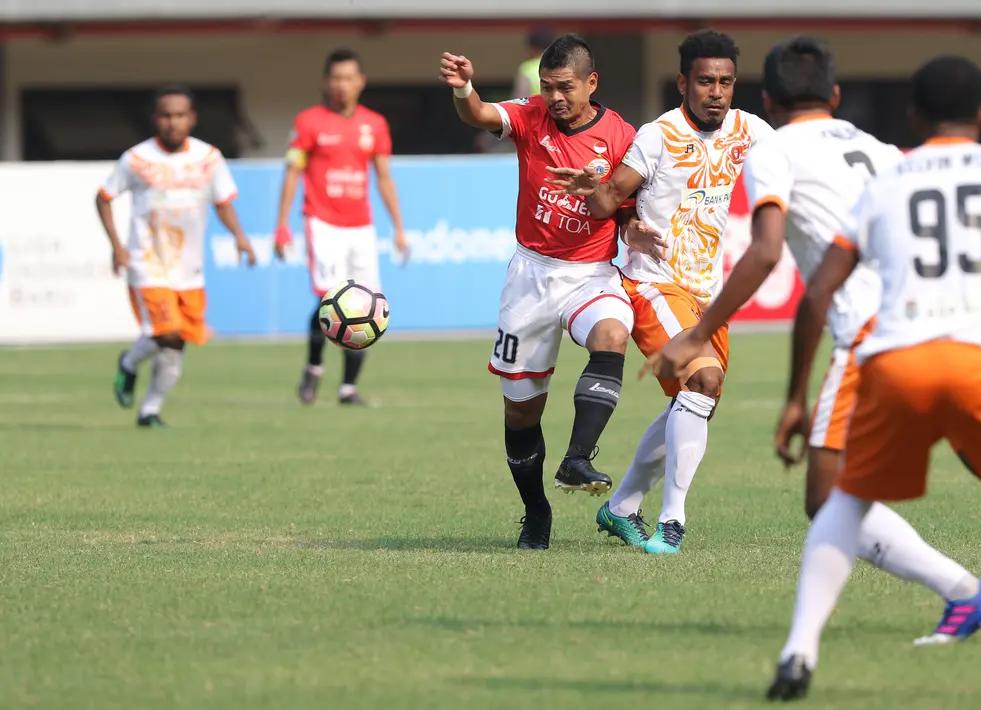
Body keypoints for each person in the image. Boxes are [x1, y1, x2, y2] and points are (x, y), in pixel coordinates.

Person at [647, 37, 981, 646]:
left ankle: (961, 592)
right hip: (957, 327)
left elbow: (768, 252)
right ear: (838, 95)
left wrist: (696, 331)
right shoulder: (880, 149)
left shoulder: (771, 148)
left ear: (765, 98)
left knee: (826, 497)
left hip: (877, 339)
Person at [547, 29, 775, 555]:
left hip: (704, 293)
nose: (716, 92)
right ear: (682, 83)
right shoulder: (657, 135)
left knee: (696, 402)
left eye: (725, 82)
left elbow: (794, 161)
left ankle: (622, 505)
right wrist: (602, 196)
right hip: (652, 283)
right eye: (704, 81)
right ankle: (673, 519)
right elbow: (609, 200)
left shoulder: (750, 131)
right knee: (705, 381)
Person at [440, 34, 642, 550]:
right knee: (520, 411)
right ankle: (536, 511)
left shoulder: (621, 136)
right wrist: (464, 89)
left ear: (590, 84)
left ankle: (577, 458)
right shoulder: (531, 116)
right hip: (530, 277)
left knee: (613, 334)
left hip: (591, 272)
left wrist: (632, 226)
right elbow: (481, 115)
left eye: (565, 88)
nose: (554, 97)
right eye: (548, 87)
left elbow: (626, 206)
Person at [101, 85, 256, 428]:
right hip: (147, 261)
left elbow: (223, 203)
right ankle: (128, 364)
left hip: (189, 267)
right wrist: (117, 245)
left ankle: (149, 410)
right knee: (167, 330)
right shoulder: (137, 159)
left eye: (180, 115)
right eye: (166, 115)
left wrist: (241, 238)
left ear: (192, 118)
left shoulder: (208, 158)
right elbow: (103, 197)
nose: (173, 122)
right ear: (156, 119)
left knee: (176, 344)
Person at [274, 48, 409, 407]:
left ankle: (348, 388)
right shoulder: (308, 122)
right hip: (322, 222)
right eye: (335, 78)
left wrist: (398, 227)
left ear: (360, 82)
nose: (342, 85)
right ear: (325, 82)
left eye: (349, 78)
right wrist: (281, 225)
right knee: (330, 300)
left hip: (360, 227)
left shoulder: (375, 124)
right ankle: (315, 367)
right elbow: (292, 172)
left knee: (369, 305)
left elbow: (383, 177)